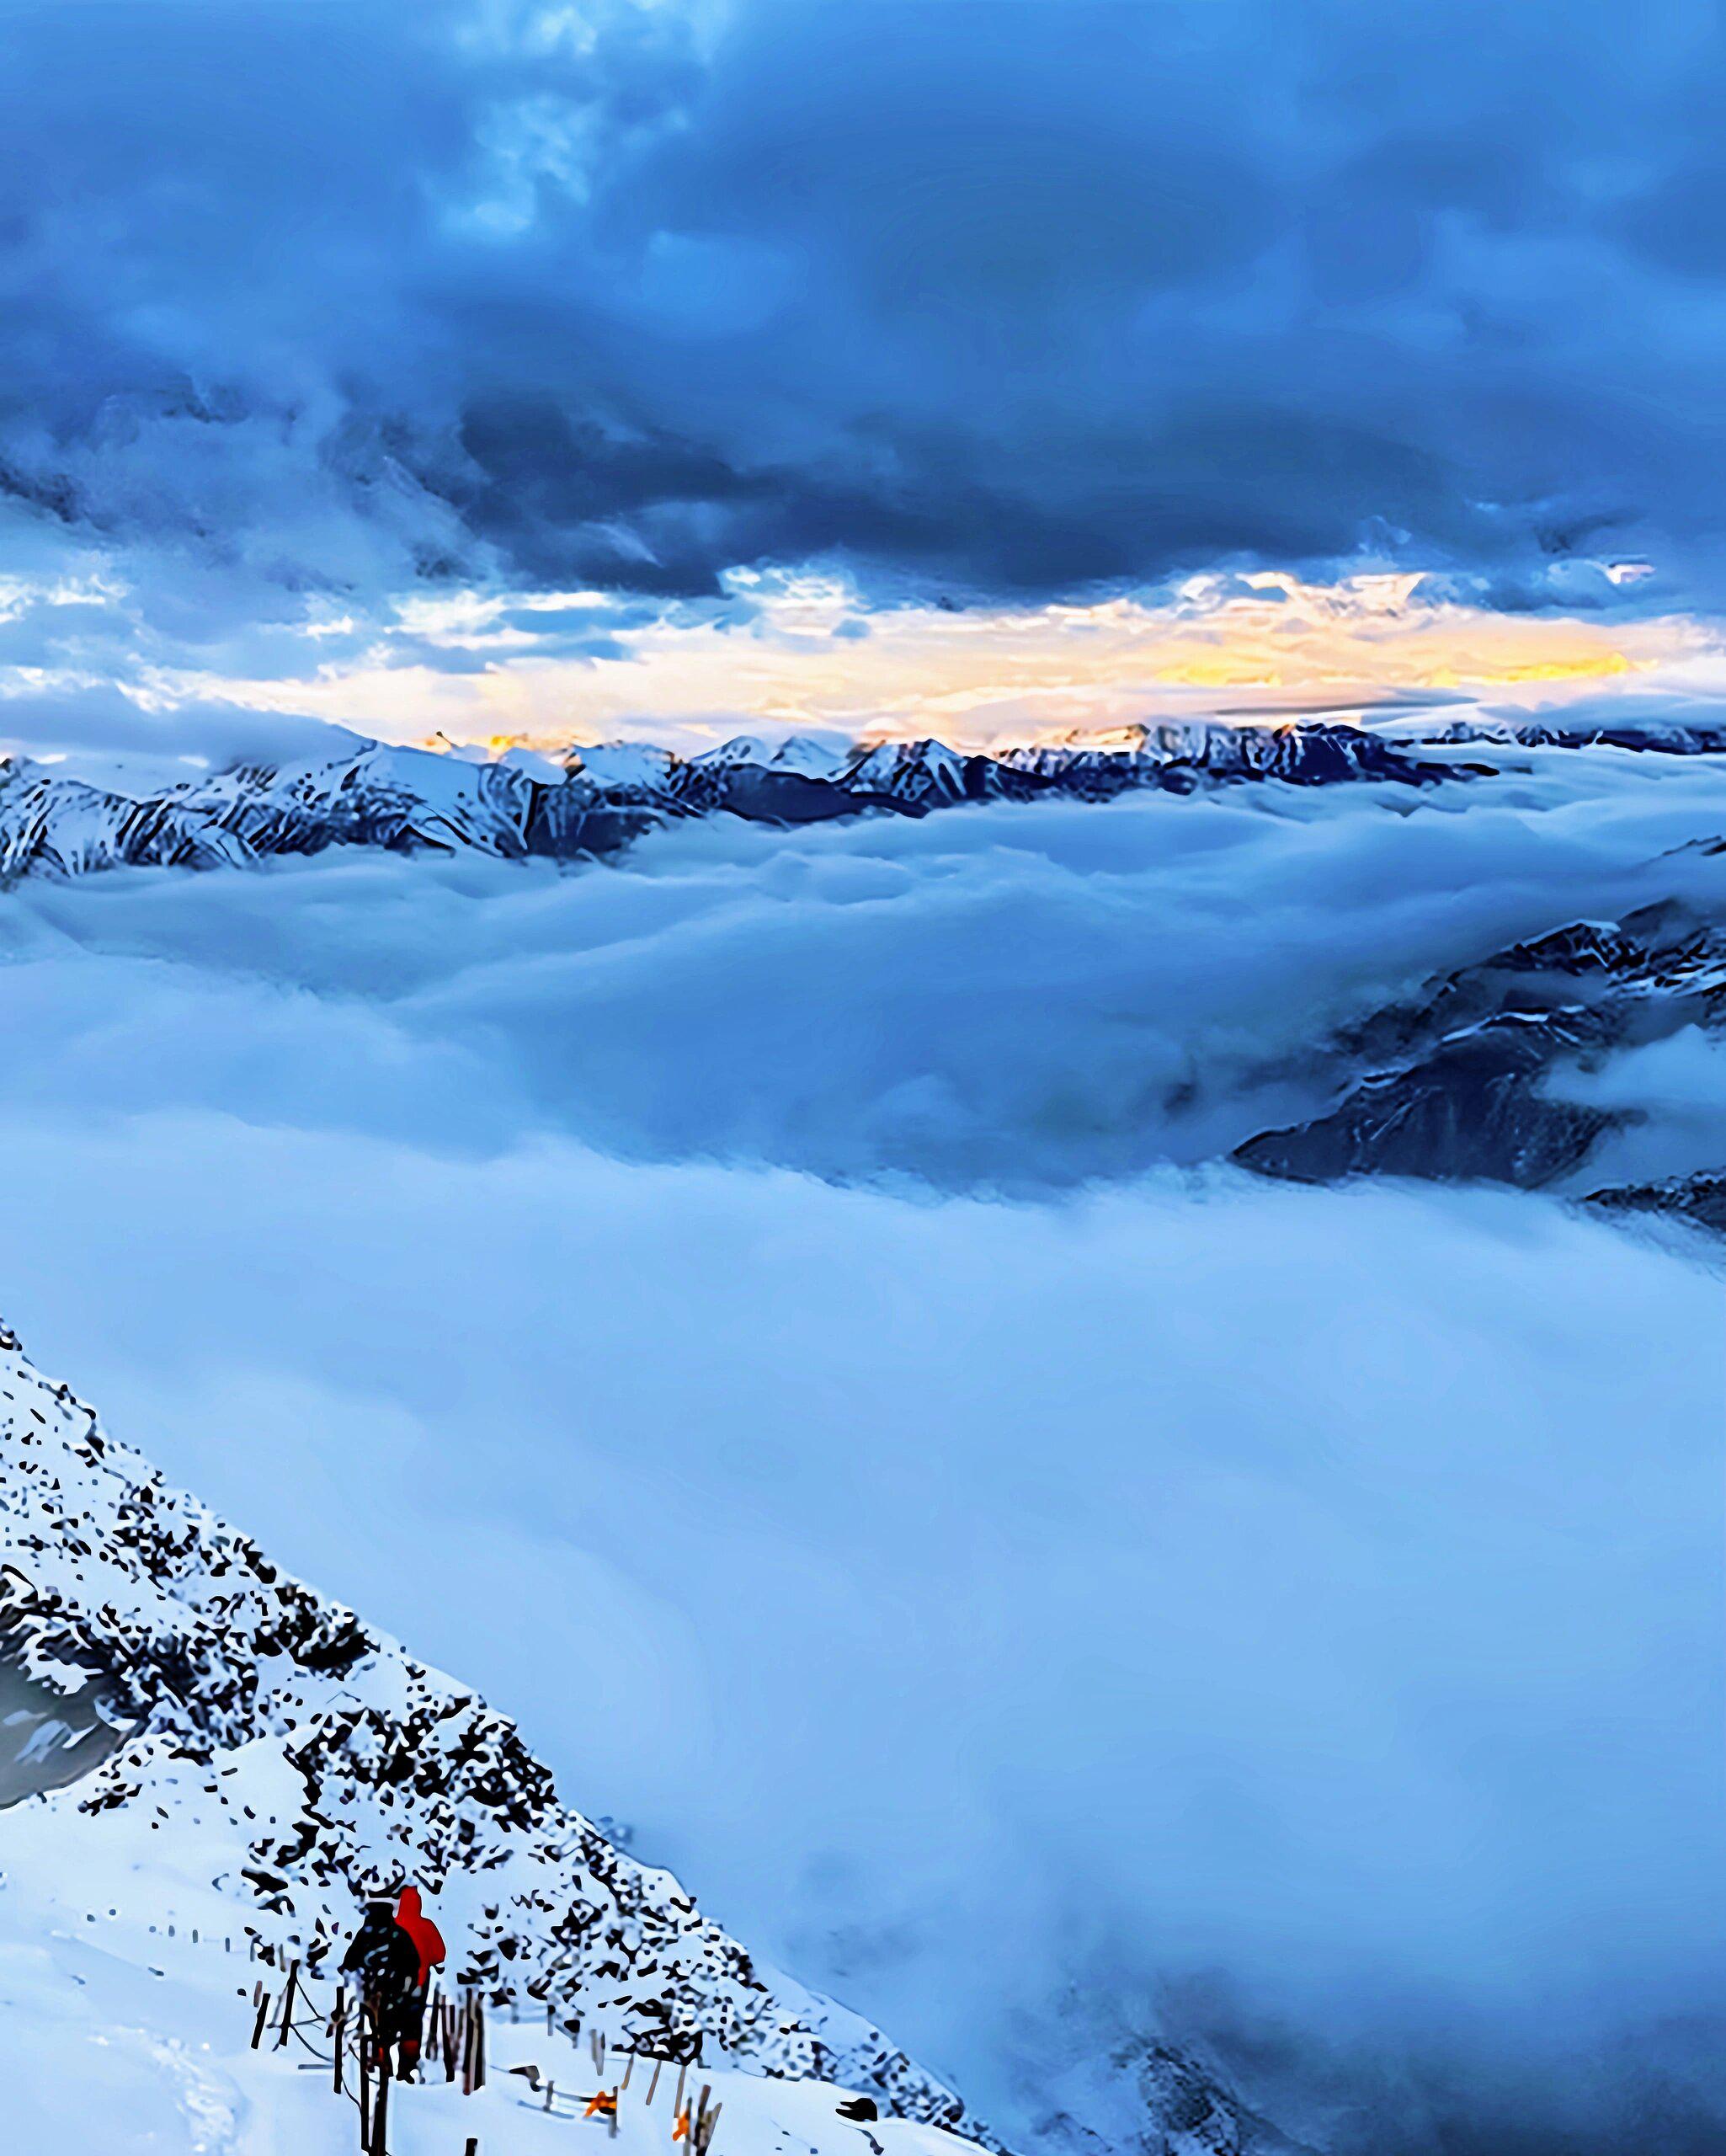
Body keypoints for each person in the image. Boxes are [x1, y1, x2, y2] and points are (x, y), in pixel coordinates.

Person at [339, 1896, 424, 2082]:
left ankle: (384, 2062)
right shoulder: (399, 1934)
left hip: (373, 1993)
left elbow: (350, 1962)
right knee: (397, 2027)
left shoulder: (365, 1933)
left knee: (379, 2028)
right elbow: (413, 1962)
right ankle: (398, 2067)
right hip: (396, 1992)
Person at [393, 1884, 447, 2078]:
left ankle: (382, 2061)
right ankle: (407, 2067)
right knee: (412, 2023)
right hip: (419, 1982)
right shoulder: (426, 1926)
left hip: (393, 1984)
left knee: (389, 2020)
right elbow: (440, 1954)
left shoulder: (392, 1924)